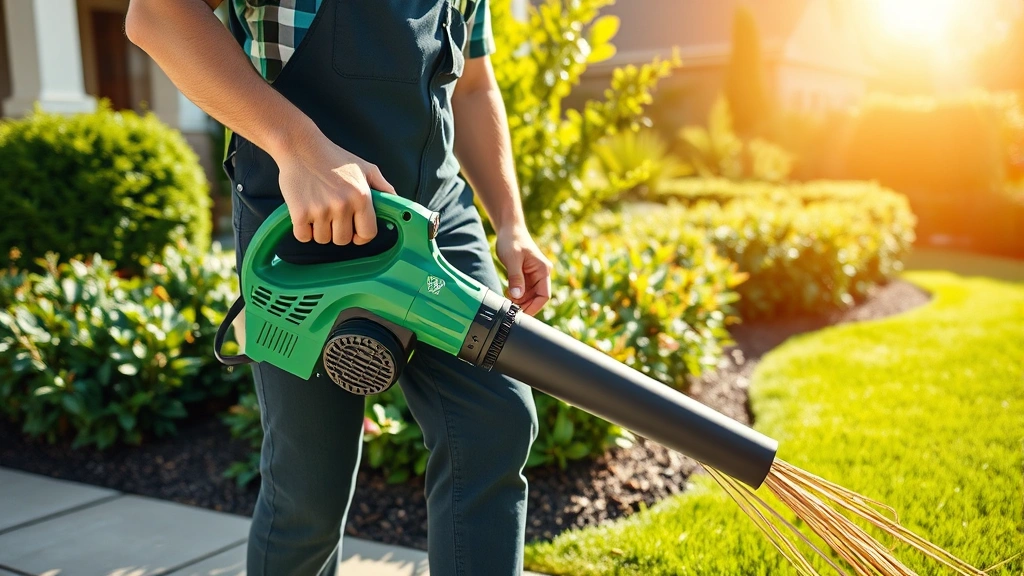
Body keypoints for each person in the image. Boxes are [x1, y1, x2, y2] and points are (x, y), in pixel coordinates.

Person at [126, 1, 552, 574]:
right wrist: (298, 146)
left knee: (493, 422)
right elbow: (156, 16)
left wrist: (511, 221)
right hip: (301, 220)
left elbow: (472, 83)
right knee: (310, 484)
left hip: (432, 219)